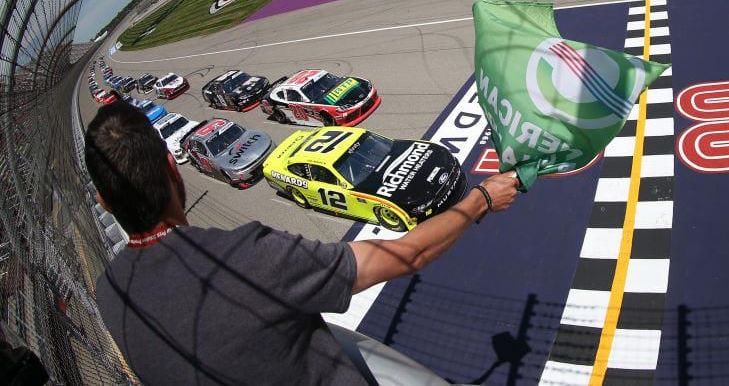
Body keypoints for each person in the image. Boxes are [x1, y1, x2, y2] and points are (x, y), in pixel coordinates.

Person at [84, 101, 519, 384]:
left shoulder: (109, 292)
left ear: (103, 200)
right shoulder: (247, 256)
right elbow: (409, 253)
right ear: (173, 169)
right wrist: (480, 199)